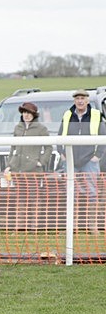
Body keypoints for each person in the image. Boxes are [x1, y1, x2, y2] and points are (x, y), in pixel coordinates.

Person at [57, 89, 106, 234]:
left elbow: (103, 137)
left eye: (82, 98)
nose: (80, 101)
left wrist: (97, 155)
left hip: (90, 160)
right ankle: (73, 227)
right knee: (71, 193)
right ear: (74, 101)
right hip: (70, 159)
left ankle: (93, 226)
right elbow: (60, 134)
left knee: (92, 193)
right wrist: (62, 153)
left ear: (87, 101)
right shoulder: (67, 115)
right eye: (77, 98)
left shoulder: (96, 115)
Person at [3, 102, 51, 230]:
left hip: (33, 171)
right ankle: (19, 227)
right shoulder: (18, 128)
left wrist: (40, 162)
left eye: (29, 113)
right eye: (24, 112)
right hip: (18, 170)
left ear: (34, 115)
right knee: (20, 200)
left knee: (34, 199)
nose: (26, 115)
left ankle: (34, 228)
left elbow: (48, 147)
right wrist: (9, 165)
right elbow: (13, 148)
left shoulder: (41, 129)